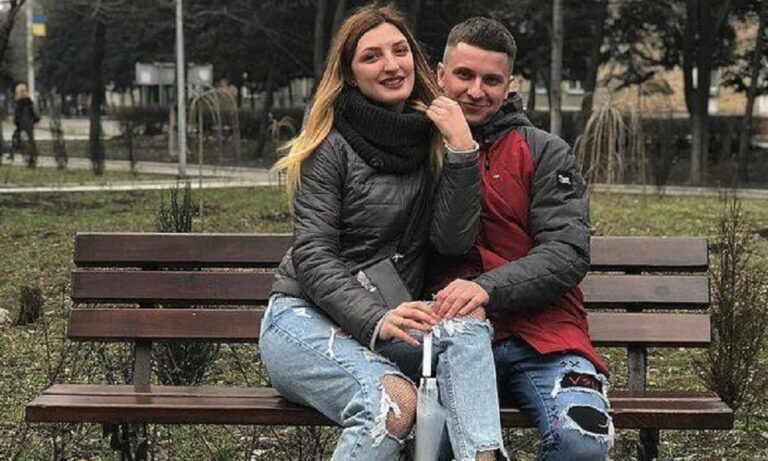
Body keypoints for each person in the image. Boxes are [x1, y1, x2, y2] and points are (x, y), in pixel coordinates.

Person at [260, 5, 508, 461]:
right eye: (372, 56)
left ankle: (483, 457)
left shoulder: (434, 136)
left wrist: (461, 151)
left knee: (467, 319)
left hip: (389, 319)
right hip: (304, 320)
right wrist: (374, 318)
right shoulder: (329, 142)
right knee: (394, 404)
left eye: (399, 50)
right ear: (350, 75)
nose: (392, 65)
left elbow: (452, 242)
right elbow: (313, 254)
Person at [427, 18, 614, 461]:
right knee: (436, 449)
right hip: (455, 341)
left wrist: (486, 289)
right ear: (440, 74)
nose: (476, 91)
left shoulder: (545, 151)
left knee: (582, 440)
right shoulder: (417, 147)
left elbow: (566, 252)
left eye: (491, 80)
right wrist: (458, 149)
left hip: (546, 336)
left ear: (510, 84)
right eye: (464, 75)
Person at [12, 83, 39, 163]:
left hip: (21, 124)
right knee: (30, 140)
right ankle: (32, 156)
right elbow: (34, 114)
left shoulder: (19, 103)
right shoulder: (29, 102)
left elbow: (17, 115)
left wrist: (16, 123)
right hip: (29, 124)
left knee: (17, 138)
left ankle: (15, 153)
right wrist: (34, 121)